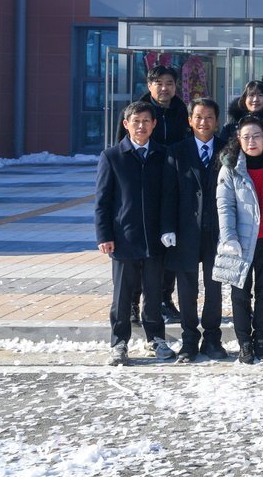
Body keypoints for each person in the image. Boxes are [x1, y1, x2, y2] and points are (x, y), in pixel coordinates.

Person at [96, 100, 173, 366]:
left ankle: (156, 339)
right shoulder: (112, 156)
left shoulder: (163, 155)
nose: (141, 126)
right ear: (126, 124)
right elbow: (103, 201)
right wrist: (104, 235)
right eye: (136, 121)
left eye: (146, 121)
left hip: (155, 238)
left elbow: (168, 197)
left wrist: (168, 229)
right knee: (122, 295)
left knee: (154, 293)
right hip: (123, 238)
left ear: (154, 124)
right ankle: (119, 343)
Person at [116, 64, 190, 325]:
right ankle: (133, 302)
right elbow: (121, 151)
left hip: (172, 185)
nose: (164, 88)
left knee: (169, 247)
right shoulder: (137, 112)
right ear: (149, 86)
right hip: (142, 186)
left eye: (169, 83)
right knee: (138, 249)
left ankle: (164, 299)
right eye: (159, 83)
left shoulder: (182, 111)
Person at [160, 98, 227, 362]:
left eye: (209, 117)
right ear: (189, 120)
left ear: (217, 121)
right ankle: (189, 339)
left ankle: (212, 338)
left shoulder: (227, 149)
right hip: (185, 231)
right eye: (198, 117)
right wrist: (167, 228)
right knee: (186, 289)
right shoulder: (176, 151)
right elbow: (167, 194)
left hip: (217, 231)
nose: (203, 122)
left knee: (214, 287)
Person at [215, 115, 263, 365]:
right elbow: (225, 206)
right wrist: (229, 238)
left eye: (256, 136)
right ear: (238, 139)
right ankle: (244, 343)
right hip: (240, 242)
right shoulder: (230, 167)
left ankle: (260, 341)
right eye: (246, 137)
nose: (251, 141)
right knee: (240, 295)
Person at [222, 80, 263, 144]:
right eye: (251, 95)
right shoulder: (232, 123)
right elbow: (222, 146)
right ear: (244, 99)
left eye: (260, 95)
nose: (255, 99)